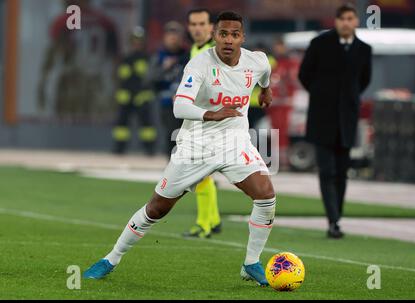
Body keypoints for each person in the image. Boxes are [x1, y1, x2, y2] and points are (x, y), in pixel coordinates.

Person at [83, 11, 275, 286]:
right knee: (157, 209)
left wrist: (265, 90)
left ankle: (251, 263)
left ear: (242, 38)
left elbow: (266, 70)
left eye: (235, 34)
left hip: (235, 142)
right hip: (196, 144)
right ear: (215, 36)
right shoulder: (199, 64)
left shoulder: (255, 61)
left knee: (266, 195)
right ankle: (111, 258)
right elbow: (179, 106)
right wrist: (213, 114)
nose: (229, 40)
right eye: (223, 34)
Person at [298, 3, 372, 238]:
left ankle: (336, 217)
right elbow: (304, 74)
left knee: (341, 171)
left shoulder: (363, 49)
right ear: (336, 21)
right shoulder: (320, 44)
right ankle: (333, 221)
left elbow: (363, 80)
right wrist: (322, 95)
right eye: (342, 19)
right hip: (322, 118)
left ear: (356, 21)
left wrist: (347, 99)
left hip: (347, 119)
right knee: (327, 171)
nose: (346, 23)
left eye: (350, 18)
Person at [181, 8, 222, 239]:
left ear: (210, 27)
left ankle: (203, 225)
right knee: (205, 173)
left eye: (202, 24)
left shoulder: (215, 52)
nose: (197, 28)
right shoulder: (195, 49)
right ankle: (213, 220)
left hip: (213, 121)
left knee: (201, 173)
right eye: (193, 24)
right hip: (200, 119)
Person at [112, 27, 157, 155]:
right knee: (122, 125)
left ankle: (150, 150)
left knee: (147, 125)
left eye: (139, 40)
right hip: (126, 97)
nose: (136, 43)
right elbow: (119, 78)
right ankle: (119, 149)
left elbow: (151, 78)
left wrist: (145, 94)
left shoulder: (148, 58)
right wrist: (120, 93)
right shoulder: (125, 58)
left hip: (142, 96)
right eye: (134, 40)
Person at [148, 21, 189, 156]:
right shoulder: (158, 56)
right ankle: (171, 164)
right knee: (171, 134)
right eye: (170, 35)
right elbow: (150, 79)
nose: (173, 38)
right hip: (166, 103)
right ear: (164, 37)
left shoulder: (187, 56)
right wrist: (163, 69)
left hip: (187, 102)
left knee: (187, 136)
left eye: (176, 35)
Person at [268, 39, 300, 170]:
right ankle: (277, 160)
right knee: (274, 132)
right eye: (276, 46)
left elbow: (294, 81)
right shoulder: (274, 62)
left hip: (285, 103)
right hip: (274, 104)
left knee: (282, 132)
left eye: (280, 46)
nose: (278, 49)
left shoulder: (290, 63)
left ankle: (283, 160)